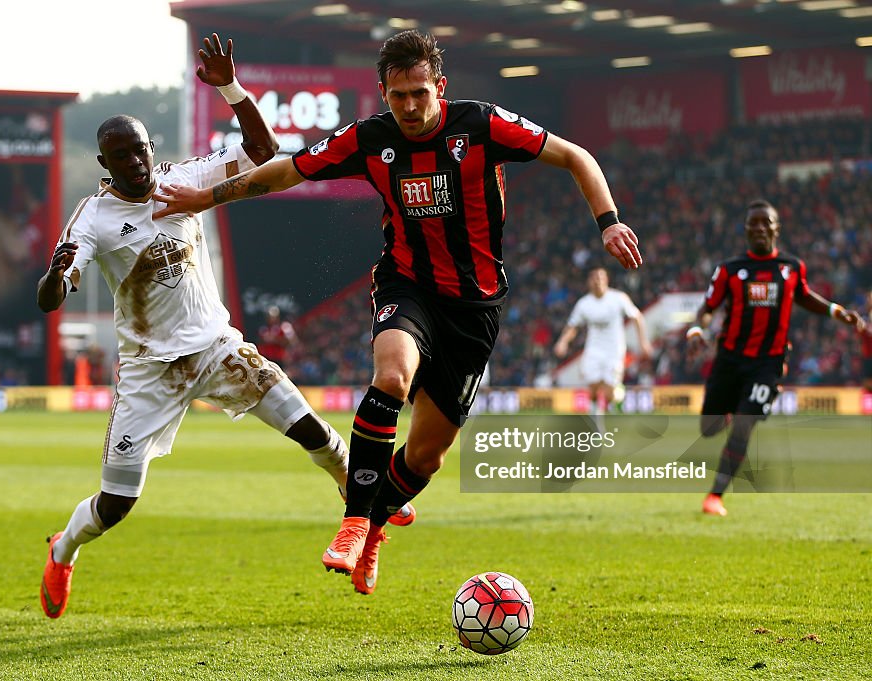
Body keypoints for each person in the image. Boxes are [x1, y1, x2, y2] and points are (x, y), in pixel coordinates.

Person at [152, 30, 642, 594]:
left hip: (475, 306)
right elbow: (286, 171)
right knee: (391, 375)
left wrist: (609, 222)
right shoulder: (369, 138)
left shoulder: (482, 125)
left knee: (426, 457)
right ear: (383, 92)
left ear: (440, 87)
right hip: (405, 283)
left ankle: (377, 525)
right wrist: (207, 197)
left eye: (419, 93)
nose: (409, 107)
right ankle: (354, 521)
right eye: (397, 95)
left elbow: (575, 155)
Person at [35, 34, 412, 620]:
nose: (134, 163)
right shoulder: (93, 218)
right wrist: (57, 274)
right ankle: (63, 550)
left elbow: (264, 151)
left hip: (216, 348)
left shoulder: (184, 179)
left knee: (310, 429)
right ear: (104, 165)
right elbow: (51, 298)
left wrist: (230, 89)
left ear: (150, 148)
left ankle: (367, 503)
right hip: (150, 370)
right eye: (120, 156)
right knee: (116, 503)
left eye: (139, 150)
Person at [686, 199, 865, 517]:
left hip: (767, 362)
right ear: (745, 230)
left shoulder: (792, 267)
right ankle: (736, 408)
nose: (759, 228)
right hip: (729, 358)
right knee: (709, 428)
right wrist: (697, 331)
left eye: (764, 222)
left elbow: (805, 296)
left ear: (776, 228)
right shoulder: (729, 270)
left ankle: (715, 496)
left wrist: (836, 310)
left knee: (744, 427)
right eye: (752, 223)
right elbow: (707, 308)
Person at [553, 267, 652, 418]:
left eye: (600, 278)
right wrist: (563, 342)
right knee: (592, 388)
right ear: (589, 282)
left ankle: (618, 396)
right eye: (594, 278)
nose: (597, 281)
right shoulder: (584, 304)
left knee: (608, 392)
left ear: (606, 280)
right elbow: (573, 326)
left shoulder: (618, 298)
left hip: (614, 349)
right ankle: (597, 424)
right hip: (594, 349)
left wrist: (643, 342)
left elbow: (637, 317)